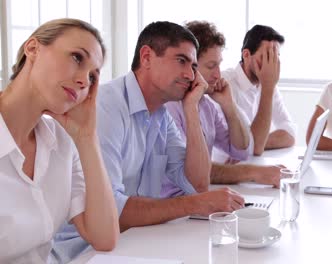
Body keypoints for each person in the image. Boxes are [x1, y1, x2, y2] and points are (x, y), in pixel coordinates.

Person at [52, 21, 245, 262]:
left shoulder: (161, 116)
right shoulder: (106, 107)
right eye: (182, 61)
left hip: (132, 243)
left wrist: (191, 108)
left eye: (194, 66)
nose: (191, 75)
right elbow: (112, 211)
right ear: (146, 57)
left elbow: (197, 184)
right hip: (82, 252)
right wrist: (193, 204)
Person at [0, 18, 119, 263]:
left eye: (93, 78)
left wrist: (87, 137)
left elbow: (104, 237)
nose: (84, 81)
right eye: (77, 57)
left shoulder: (61, 143)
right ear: (32, 49)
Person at [165, 21, 283, 189]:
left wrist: (229, 106)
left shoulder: (207, 105)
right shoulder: (169, 108)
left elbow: (242, 150)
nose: (218, 74)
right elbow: (189, 171)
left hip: (199, 197)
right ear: (189, 65)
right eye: (211, 66)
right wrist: (254, 173)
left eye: (219, 65)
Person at [222, 25, 297, 156]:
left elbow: (290, 133)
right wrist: (256, 142)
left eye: (275, 57)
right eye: (267, 56)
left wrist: (259, 140)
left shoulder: (268, 84)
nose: (271, 64)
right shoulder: (225, 85)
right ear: (246, 55)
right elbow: (255, 147)